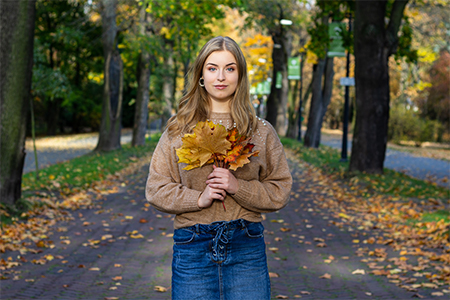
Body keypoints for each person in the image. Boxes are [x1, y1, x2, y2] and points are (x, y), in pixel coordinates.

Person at [145, 36, 292, 300]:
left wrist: (238, 187)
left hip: (246, 243)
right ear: (201, 74)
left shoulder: (260, 130)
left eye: (230, 68)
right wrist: (198, 199)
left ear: (240, 76)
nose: (221, 76)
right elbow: (156, 188)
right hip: (192, 244)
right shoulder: (179, 129)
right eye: (212, 68)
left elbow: (280, 189)